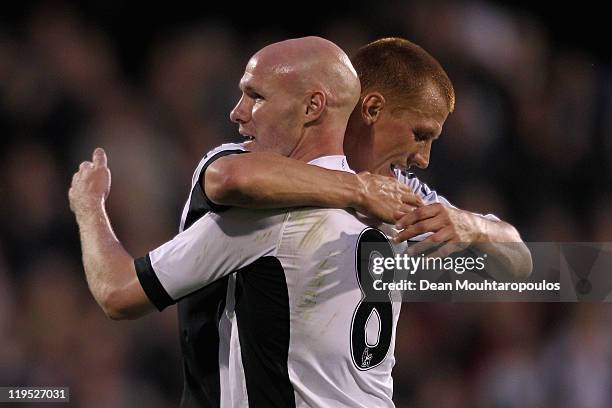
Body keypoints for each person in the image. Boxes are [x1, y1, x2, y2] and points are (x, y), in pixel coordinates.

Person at [70, 36, 415, 407]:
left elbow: (118, 293)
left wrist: (89, 206)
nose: (237, 112)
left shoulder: (266, 211)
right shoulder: (390, 211)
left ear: (313, 106)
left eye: (257, 96)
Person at [203, 37, 532, 278]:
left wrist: (471, 226)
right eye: (420, 135)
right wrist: (357, 190)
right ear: (372, 108)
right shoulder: (273, 156)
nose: (424, 159)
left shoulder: (400, 197)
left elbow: (521, 265)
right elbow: (230, 176)